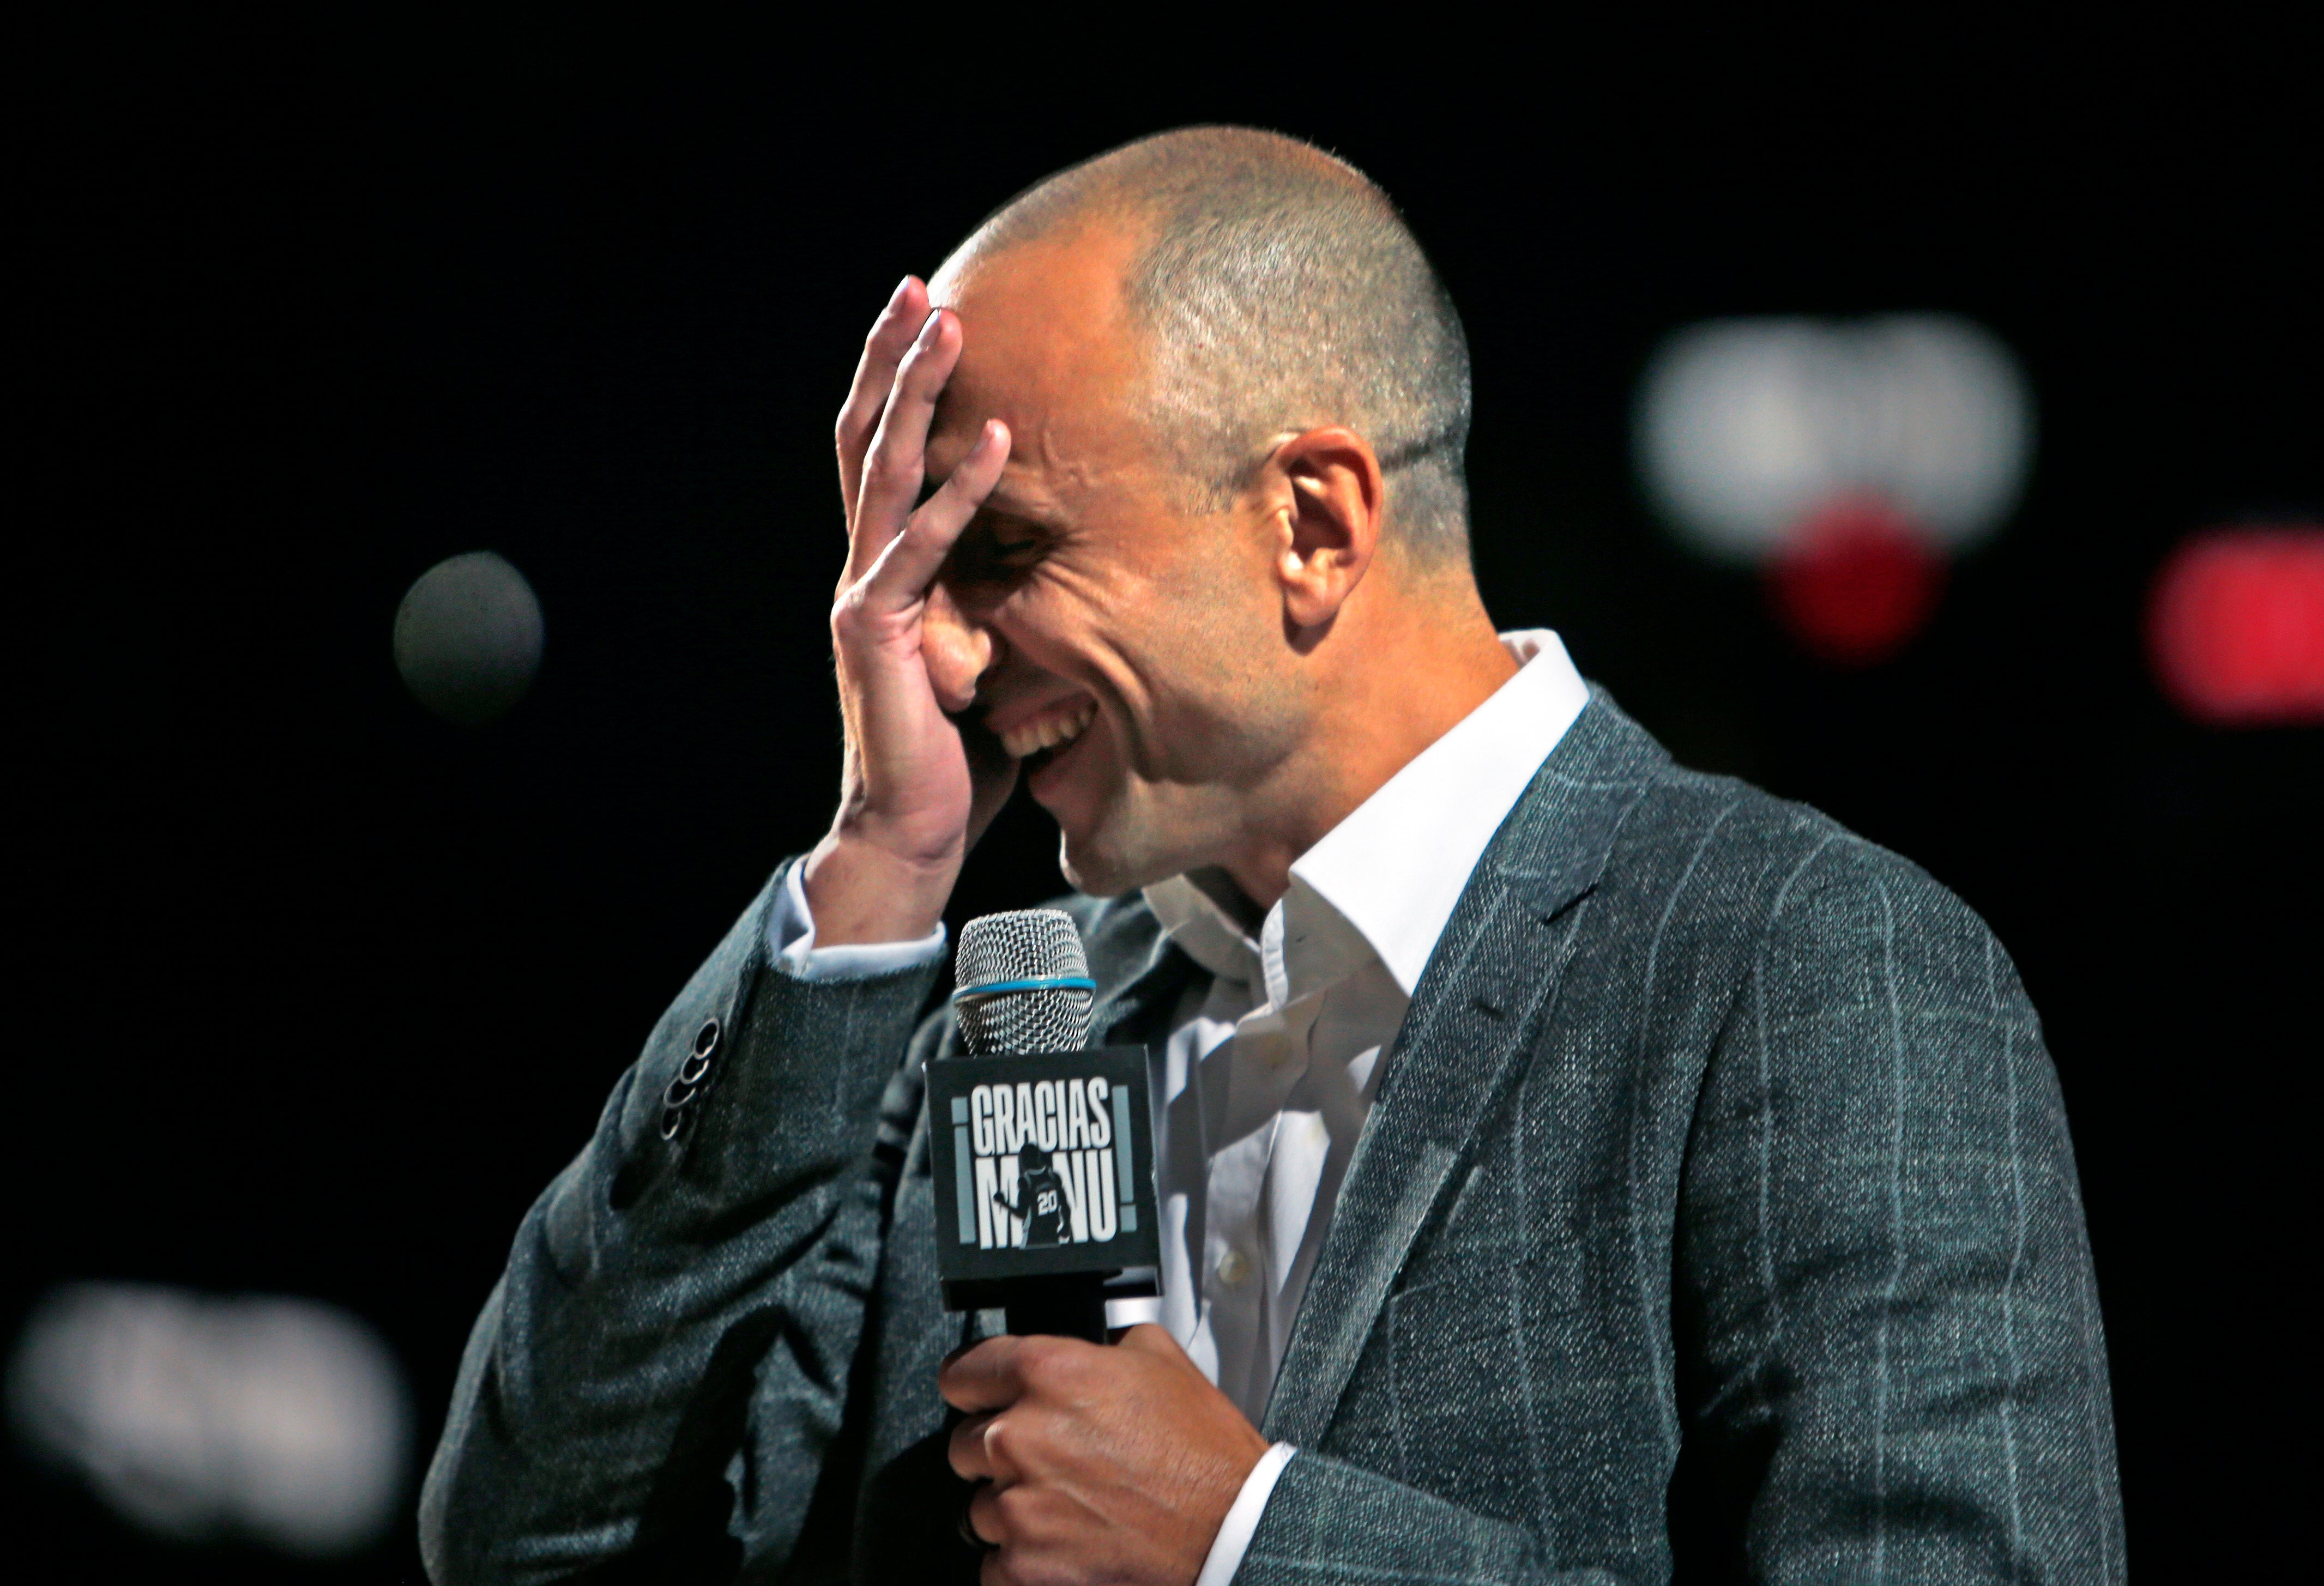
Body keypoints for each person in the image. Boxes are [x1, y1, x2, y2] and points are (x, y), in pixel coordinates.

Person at [420, 126, 2125, 1585]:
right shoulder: (995, 1029)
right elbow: (533, 1543)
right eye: (913, 570)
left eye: (1001, 551)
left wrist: (1245, 1539)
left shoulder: (1804, 964)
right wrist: (870, 870)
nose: (933, 654)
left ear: (1314, 521)